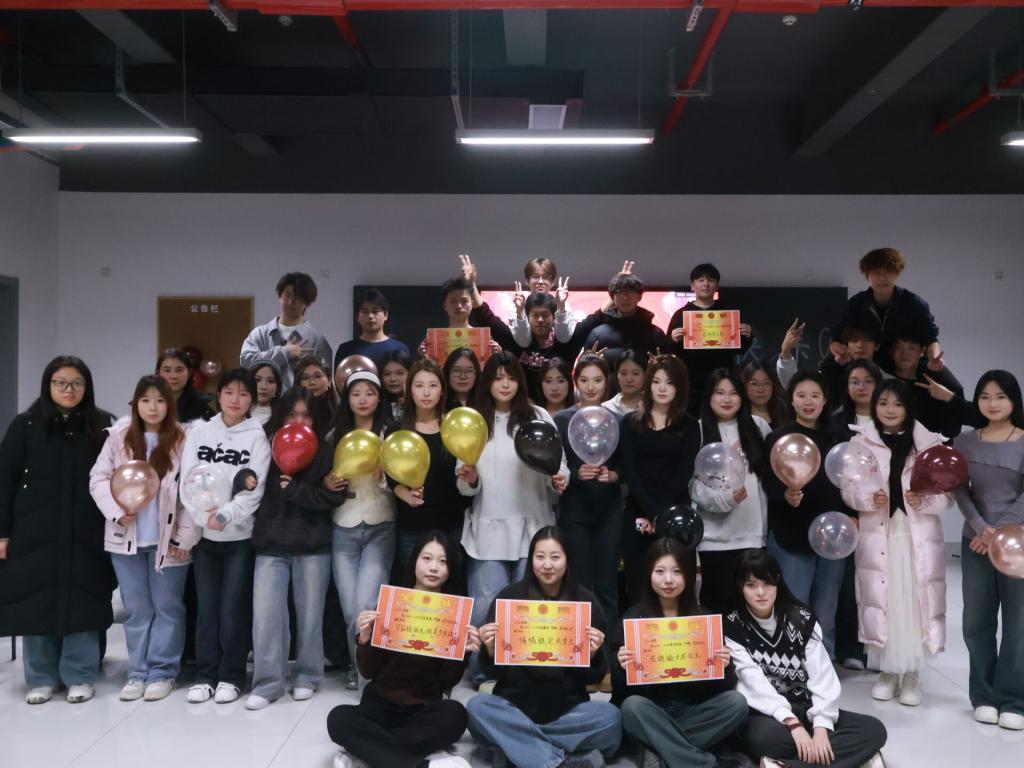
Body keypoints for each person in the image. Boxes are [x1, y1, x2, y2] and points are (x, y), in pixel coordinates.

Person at [0, 356, 114, 705]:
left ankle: (80, 675)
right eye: (61, 382)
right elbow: (4, 480)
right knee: (36, 600)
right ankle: (41, 678)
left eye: (77, 383)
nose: (69, 389)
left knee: (84, 599)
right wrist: (2, 533)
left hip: (87, 529)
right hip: (34, 531)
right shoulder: (25, 425)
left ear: (87, 387)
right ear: (48, 385)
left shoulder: (102, 426)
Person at [455, 352, 569, 687]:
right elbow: (462, 483)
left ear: (520, 381)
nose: (505, 384)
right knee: (484, 608)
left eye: (511, 377)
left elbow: (558, 466)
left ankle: (525, 675)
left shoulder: (538, 416)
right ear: (487, 382)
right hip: (487, 530)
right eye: (497, 377)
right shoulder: (475, 420)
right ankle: (481, 673)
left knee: (528, 609)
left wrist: (559, 480)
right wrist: (470, 478)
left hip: (533, 529)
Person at [467, 526, 622, 768]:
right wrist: (489, 650)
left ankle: (519, 747)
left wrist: (592, 654)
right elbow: (492, 674)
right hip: (515, 705)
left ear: (568, 561)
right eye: (540, 557)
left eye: (555, 557)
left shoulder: (586, 602)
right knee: (477, 708)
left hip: (568, 710)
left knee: (610, 718)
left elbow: (593, 678)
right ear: (531, 560)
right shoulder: (509, 598)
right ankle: (558, 760)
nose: (547, 565)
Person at [89, 375, 198, 703]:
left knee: (168, 608)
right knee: (136, 609)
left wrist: (184, 538)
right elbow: (98, 479)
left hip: (169, 542)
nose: (153, 407)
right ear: (136, 404)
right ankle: (137, 672)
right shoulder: (118, 437)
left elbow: (192, 489)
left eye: (160, 400)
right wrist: (115, 512)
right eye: (146, 400)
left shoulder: (184, 439)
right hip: (126, 540)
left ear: (170, 405)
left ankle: (162, 672)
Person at [327, 531, 476, 768]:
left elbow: (446, 681)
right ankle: (419, 765)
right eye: (427, 558)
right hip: (379, 705)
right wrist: (364, 639)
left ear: (451, 569)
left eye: (443, 561)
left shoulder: (454, 615)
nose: (434, 567)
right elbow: (368, 671)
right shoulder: (392, 604)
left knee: (456, 715)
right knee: (338, 719)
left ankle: (368, 753)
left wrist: (461, 653)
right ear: (414, 560)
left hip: (424, 709)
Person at [725, 550, 887, 768]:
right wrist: (792, 724)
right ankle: (855, 758)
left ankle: (785, 765)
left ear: (778, 581)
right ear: (740, 586)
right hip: (768, 713)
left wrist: (821, 728)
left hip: (806, 707)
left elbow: (822, 676)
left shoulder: (801, 619)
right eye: (751, 585)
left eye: (768, 583)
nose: (761, 592)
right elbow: (752, 682)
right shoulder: (733, 626)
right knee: (761, 738)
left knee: (874, 730)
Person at [842, 379, 949, 708]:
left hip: (915, 536)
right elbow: (848, 488)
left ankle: (912, 674)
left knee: (914, 603)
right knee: (883, 601)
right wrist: (867, 498)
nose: (889, 410)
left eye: (897, 404)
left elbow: (946, 495)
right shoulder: (860, 443)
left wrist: (924, 501)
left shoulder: (928, 443)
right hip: (878, 534)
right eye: (883, 402)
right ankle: (887, 671)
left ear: (908, 407)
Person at [246, 388, 346, 710]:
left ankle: (307, 676)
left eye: (306, 415)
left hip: (313, 545)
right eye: (292, 414)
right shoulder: (265, 445)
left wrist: (298, 491)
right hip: (270, 545)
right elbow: (251, 487)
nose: (299, 421)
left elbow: (333, 498)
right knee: (266, 618)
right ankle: (267, 682)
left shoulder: (326, 451)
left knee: (311, 617)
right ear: (281, 416)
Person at [613, 538, 748, 768]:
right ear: (649, 574)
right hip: (652, 711)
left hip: (693, 711)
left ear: (688, 575)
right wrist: (621, 666)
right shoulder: (633, 620)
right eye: (660, 571)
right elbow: (620, 691)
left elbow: (725, 686)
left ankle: (662, 751)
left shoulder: (704, 620)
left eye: (677, 572)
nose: (668, 580)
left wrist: (724, 666)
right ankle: (702, 762)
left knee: (737, 703)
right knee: (631, 707)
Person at [180, 368, 271, 704]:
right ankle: (206, 675)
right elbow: (187, 480)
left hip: (240, 539)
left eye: (244, 394)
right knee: (207, 609)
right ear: (218, 396)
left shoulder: (257, 437)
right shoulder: (199, 432)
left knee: (233, 610)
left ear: (252, 400)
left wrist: (226, 515)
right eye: (229, 392)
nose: (235, 399)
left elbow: (254, 489)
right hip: (205, 539)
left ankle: (231, 676)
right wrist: (203, 517)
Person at [953, 370, 1024, 731]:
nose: (992, 404)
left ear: (1014, 401)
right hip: (976, 542)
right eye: (984, 396)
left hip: (1018, 545)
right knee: (976, 622)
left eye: (1000, 396)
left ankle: (1013, 700)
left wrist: (999, 531)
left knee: (1018, 623)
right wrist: (982, 528)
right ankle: (983, 695)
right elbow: (959, 489)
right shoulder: (964, 441)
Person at [762, 370, 845, 656]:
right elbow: (767, 482)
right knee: (793, 603)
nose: (808, 402)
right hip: (791, 534)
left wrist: (851, 515)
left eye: (814, 395)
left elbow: (848, 480)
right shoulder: (779, 437)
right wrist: (784, 494)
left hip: (833, 535)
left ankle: (825, 661)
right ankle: (793, 661)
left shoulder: (838, 436)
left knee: (827, 604)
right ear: (791, 400)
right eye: (801, 395)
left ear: (825, 400)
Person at [324, 370, 396, 690]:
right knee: (348, 607)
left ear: (379, 398)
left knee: (366, 604)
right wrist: (328, 483)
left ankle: (368, 675)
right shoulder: (335, 435)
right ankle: (358, 667)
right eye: (356, 394)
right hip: (343, 525)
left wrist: (384, 477)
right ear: (347, 399)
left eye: (369, 393)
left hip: (381, 523)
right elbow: (324, 480)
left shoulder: (390, 433)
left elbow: (402, 479)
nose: (363, 399)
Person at [617, 355, 701, 606]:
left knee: (677, 584)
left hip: (677, 515)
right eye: (656, 381)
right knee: (638, 584)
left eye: (670, 382)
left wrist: (662, 514)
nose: (662, 388)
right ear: (648, 384)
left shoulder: (689, 425)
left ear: (680, 387)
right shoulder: (630, 422)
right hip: (637, 512)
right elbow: (629, 471)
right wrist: (651, 511)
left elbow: (685, 471)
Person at [689, 369, 771, 614]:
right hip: (713, 539)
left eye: (734, 393)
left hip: (753, 535)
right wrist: (724, 499)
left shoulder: (758, 427)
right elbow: (692, 485)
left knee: (751, 608)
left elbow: (770, 476)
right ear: (708, 397)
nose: (727, 399)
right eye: (719, 393)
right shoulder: (697, 430)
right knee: (717, 606)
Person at [554, 353, 622, 621]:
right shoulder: (562, 419)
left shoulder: (618, 419)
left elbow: (626, 466)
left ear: (607, 382)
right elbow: (555, 467)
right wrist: (575, 473)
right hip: (574, 510)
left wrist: (613, 475)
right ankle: (578, 639)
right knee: (578, 581)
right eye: (584, 380)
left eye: (597, 380)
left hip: (609, 511)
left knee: (607, 582)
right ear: (575, 381)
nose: (591, 387)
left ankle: (609, 642)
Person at [386, 359, 469, 570]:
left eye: (433, 385)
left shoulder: (454, 428)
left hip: (451, 523)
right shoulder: (396, 431)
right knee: (411, 583)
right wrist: (405, 494)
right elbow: (390, 476)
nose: (426, 393)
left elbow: (464, 475)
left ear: (442, 391)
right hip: (413, 525)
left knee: (451, 584)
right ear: (409, 390)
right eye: (419, 385)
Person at [828, 358, 883, 672]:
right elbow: (833, 474)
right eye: (854, 381)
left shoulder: (889, 418)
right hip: (849, 516)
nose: (861, 387)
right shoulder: (836, 423)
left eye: (868, 381)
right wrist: (848, 512)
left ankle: (880, 648)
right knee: (850, 585)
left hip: (883, 513)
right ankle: (850, 647)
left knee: (880, 584)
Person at [830, 247, 940, 374]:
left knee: (950, 383)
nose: (882, 278)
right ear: (867, 276)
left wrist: (934, 357)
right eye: (876, 273)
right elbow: (836, 336)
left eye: (888, 272)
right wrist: (839, 351)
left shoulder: (915, 304)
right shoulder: (856, 303)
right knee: (829, 368)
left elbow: (931, 338)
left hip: (905, 362)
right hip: (867, 360)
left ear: (897, 274)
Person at [667, 263, 753, 412]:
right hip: (691, 384)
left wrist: (748, 335)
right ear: (692, 285)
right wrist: (673, 340)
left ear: (717, 285)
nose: (706, 284)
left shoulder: (727, 313)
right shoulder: (681, 315)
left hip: (722, 382)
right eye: (700, 280)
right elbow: (669, 350)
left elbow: (740, 349)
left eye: (711, 280)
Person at [240, 271, 333, 390]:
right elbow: (246, 364)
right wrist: (284, 352)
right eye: (287, 295)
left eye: (298, 298)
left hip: (303, 401)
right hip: (263, 400)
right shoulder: (259, 334)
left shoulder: (317, 340)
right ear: (279, 296)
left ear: (307, 303)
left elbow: (325, 382)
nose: (291, 302)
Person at [888, 331, 967, 439]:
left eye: (911, 348)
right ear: (891, 351)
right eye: (898, 347)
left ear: (922, 351)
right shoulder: (885, 381)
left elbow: (952, 432)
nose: (904, 353)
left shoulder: (933, 386)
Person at [584, 270, 669, 370]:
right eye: (619, 292)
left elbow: (669, 370)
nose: (625, 297)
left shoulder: (656, 335)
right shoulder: (596, 334)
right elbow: (583, 369)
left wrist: (660, 366)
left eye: (631, 291)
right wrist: (590, 362)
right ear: (612, 297)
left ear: (640, 296)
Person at [334, 287, 411, 373]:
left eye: (375, 311)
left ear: (386, 315)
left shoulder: (400, 348)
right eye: (365, 312)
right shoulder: (345, 349)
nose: (370, 316)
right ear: (357, 317)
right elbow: (339, 379)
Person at [156, 347, 213, 424]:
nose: (173, 376)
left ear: (189, 373)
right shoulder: (148, 404)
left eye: (179, 370)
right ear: (158, 373)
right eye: (167, 370)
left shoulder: (202, 408)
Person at [295, 356, 338, 438]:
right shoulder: (289, 412)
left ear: (329, 380)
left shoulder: (341, 412)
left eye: (318, 376)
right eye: (305, 378)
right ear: (298, 383)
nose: (312, 382)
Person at [741, 361, 788, 429]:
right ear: (745, 385)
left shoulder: (783, 414)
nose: (760, 390)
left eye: (766, 383)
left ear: (773, 385)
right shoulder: (738, 417)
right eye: (754, 383)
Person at [603, 349, 646, 417]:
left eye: (635, 373)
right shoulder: (606, 409)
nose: (629, 379)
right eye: (623, 373)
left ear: (645, 375)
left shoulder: (655, 406)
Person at [381, 349, 413, 422]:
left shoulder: (420, 403)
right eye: (387, 374)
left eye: (400, 373)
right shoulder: (377, 405)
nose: (393, 379)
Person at [250, 361, 282, 425]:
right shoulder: (235, 413)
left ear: (278, 387)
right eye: (257, 380)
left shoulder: (283, 416)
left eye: (271, 381)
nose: (264, 386)